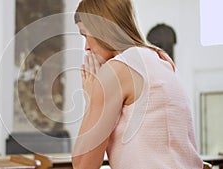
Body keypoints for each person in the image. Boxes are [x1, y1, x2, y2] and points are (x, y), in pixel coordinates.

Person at [72, 0, 203, 168]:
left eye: (85, 35)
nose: (86, 48)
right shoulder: (162, 60)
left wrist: (91, 99)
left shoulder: (118, 69)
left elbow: (83, 165)